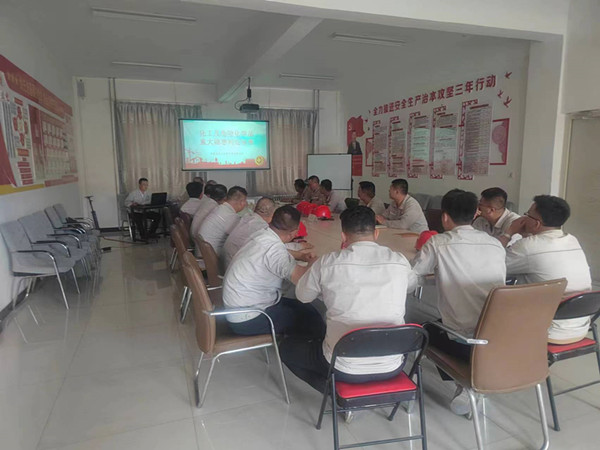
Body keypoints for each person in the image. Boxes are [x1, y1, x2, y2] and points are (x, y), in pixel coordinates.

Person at [279, 206, 416, 393]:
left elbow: (303, 296)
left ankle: (334, 392)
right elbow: (410, 287)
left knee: (286, 348)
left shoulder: (328, 262)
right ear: (376, 233)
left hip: (342, 366)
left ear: (343, 237)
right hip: (392, 364)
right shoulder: (399, 261)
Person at [411, 189, 506, 416]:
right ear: (475, 214)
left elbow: (413, 275)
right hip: (499, 337)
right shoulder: (494, 244)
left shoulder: (438, 242)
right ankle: (471, 381)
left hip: (463, 340)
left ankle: (465, 383)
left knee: (422, 331)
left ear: (444, 217)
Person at [223, 205, 324, 338]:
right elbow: (302, 280)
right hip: (250, 319)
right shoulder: (274, 251)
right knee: (312, 318)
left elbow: (275, 251)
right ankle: (307, 348)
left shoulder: (261, 235)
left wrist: (301, 256)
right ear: (294, 233)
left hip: (239, 308)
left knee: (305, 307)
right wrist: (313, 263)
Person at [504, 195, 592, 344]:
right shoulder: (572, 239)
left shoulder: (528, 246)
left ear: (536, 223)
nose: (523, 218)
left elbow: (493, 264)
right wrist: (528, 237)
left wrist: (508, 233)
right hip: (580, 328)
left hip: (546, 329)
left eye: (527, 214)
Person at [223, 197, 276, 268]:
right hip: (235, 268)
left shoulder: (246, 217)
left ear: (255, 208)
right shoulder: (263, 228)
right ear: (272, 214)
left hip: (225, 263)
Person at [199, 186, 248, 263]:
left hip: (204, 255)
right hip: (213, 261)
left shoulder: (220, 209)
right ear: (242, 202)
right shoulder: (230, 216)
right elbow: (242, 239)